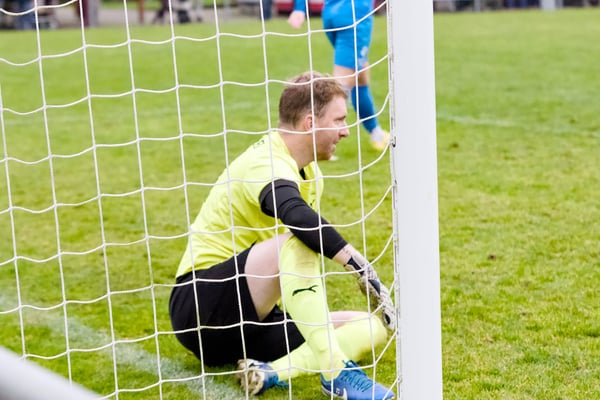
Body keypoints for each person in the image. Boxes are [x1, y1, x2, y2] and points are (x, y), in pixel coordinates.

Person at [169, 71, 395, 400]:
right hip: (202, 307)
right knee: (298, 237)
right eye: (339, 120)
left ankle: (270, 372)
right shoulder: (264, 161)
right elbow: (296, 216)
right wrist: (357, 263)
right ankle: (336, 373)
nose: (346, 131)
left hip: (255, 323)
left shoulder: (311, 174)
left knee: (372, 326)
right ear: (309, 123)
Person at [287, 0, 389, 152]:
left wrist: (300, 7)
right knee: (339, 88)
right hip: (354, 16)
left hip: (331, 12)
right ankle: (312, 144)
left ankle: (376, 133)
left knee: (360, 76)